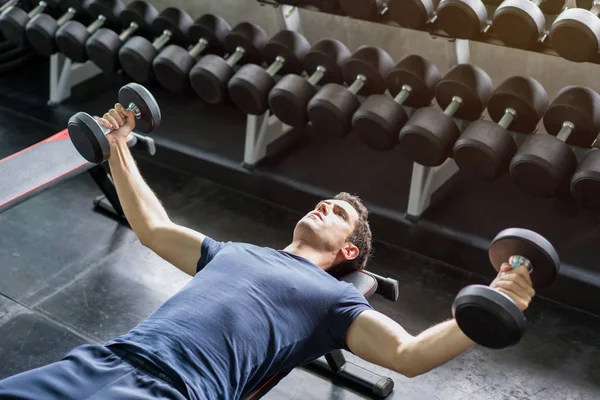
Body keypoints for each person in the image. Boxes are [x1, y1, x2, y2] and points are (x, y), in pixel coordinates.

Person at [0, 104, 536, 400]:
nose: (324, 206)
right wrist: (117, 147)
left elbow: (408, 356)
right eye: (324, 202)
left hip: (177, 392)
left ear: (349, 251)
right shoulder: (236, 252)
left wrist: (497, 299)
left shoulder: (335, 299)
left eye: (338, 213)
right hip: (102, 359)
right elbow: (152, 227)